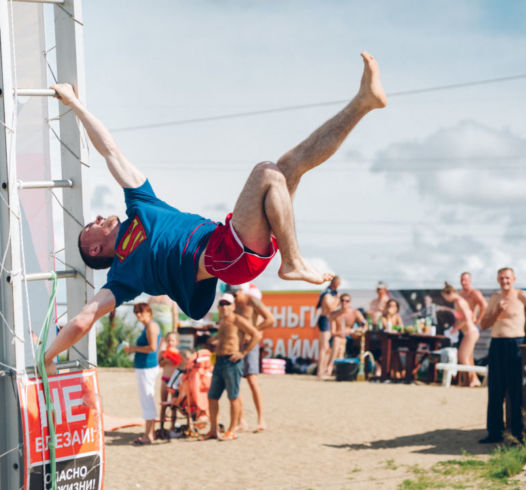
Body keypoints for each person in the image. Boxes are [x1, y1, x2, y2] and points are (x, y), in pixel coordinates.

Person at [43, 51, 387, 373]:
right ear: (93, 248)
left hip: (229, 238)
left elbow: (110, 151)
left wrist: (74, 103)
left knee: (288, 167)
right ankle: (293, 262)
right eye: (92, 225)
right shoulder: (120, 277)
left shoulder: (139, 205)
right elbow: (84, 319)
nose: (99, 217)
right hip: (225, 256)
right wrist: (48, 356)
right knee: (267, 172)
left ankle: (363, 103)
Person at [479, 267, 526, 444]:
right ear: (497, 280)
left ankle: (517, 433)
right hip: (497, 345)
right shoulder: (495, 298)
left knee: (515, 390)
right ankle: (494, 432)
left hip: (515, 343)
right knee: (495, 390)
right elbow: (484, 325)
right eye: (501, 278)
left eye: (507, 278)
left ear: (514, 279)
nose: (505, 281)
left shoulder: (521, 296)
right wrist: (496, 312)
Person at [199, 293, 261, 441]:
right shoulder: (222, 321)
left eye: (227, 304)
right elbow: (227, 338)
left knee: (233, 397)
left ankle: (232, 429)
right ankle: (213, 430)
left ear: (233, 306)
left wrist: (243, 352)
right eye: (221, 304)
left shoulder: (237, 319)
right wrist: (214, 340)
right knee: (212, 397)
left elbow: (256, 334)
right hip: (219, 361)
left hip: (232, 360)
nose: (224, 307)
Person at [225, 284, 274, 433]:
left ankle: (261, 420)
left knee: (252, 380)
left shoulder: (252, 300)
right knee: (235, 382)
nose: (232, 297)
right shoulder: (230, 304)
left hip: (251, 344)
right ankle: (241, 421)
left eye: (234, 294)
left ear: (240, 290)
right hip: (235, 344)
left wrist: (252, 331)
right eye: (230, 295)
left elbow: (270, 320)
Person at [123, 303, 161, 445]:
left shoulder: (151, 326)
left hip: (147, 367)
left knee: (147, 399)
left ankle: (148, 435)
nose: (138, 314)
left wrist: (133, 348)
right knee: (146, 399)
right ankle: (149, 432)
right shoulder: (148, 326)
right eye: (136, 312)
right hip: (145, 366)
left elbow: (152, 347)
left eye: (141, 312)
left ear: (148, 312)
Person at [440, 282, 481, 387]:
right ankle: (473, 380)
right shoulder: (458, 302)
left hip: (470, 332)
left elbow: (467, 319)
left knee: (463, 357)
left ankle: (470, 380)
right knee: (466, 358)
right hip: (469, 332)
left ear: (451, 293)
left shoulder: (460, 302)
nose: (446, 300)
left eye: (445, 297)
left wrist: (454, 329)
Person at [326, 294, 367, 376]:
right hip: (338, 337)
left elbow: (365, 325)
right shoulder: (334, 314)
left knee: (339, 342)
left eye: (347, 301)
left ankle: (331, 366)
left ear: (350, 302)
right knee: (339, 342)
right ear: (339, 302)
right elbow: (333, 332)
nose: (344, 303)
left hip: (350, 338)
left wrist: (354, 330)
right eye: (342, 300)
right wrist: (342, 333)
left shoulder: (355, 313)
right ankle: (337, 369)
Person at [315, 276, 341, 378]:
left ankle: (324, 370)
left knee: (329, 348)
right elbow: (331, 307)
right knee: (324, 347)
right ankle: (319, 371)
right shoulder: (327, 293)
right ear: (334, 283)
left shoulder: (334, 293)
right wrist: (337, 299)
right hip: (325, 319)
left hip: (330, 321)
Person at [157, 331, 182, 436]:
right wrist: (164, 358)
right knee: (163, 404)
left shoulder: (178, 353)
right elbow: (160, 364)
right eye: (168, 340)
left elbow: (180, 365)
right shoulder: (164, 352)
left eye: (172, 340)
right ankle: (161, 427)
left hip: (174, 381)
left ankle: (172, 426)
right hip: (165, 379)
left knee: (173, 405)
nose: (170, 342)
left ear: (177, 341)